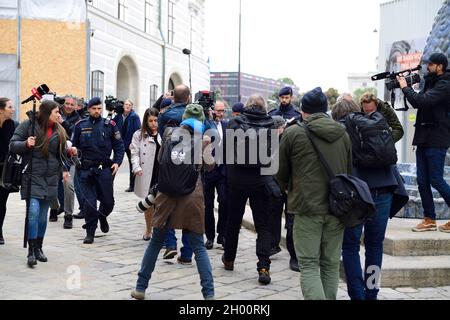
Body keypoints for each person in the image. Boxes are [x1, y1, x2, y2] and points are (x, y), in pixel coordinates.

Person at [131, 104, 215, 300]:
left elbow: (160, 160)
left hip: (166, 195)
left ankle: (140, 288)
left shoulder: (169, 135)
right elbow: (211, 167)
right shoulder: (203, 141)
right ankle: (209, 295)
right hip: (192, 197)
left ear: (184, 119)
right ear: (201, 121)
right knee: (198, 247)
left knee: (155, 242)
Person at [277, 87, 352, 300]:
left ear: (303, 110)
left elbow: (280, 172)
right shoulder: (342, 133)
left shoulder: (293, 133)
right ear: (325, 109)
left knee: (308, 264)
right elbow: (348, 171)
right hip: (337, 207)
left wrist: (287, 186)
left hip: (306, 206)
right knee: (330, 265)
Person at [332, 97, 405, 300]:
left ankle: (357, 295)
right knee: (375, 245)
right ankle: (372, 293)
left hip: (356, 194)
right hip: (384, 189)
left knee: (350, 246)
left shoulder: (339, 131)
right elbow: (398, 130)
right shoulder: (373, 127)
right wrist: (383, 106)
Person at [10, 100, 76, 267]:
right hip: (32, 176)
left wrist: (70, 153)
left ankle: (39, 247)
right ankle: (31, 251)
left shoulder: (59, 129)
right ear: (47, 113)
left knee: (42, 217)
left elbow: (63, 153)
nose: (59, 115)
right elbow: (13, 144)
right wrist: (26, 144)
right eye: (56, 112)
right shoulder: (29, 125)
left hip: (51, 178)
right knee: (33, 212)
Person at [222, 94, 275, 285]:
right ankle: (263, 266)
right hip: (260, 180)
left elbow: (226, 153)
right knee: (263, 226)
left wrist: (229, 175)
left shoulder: (234, 123)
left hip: (237, 179)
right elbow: (272, 156)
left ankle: (229, 259)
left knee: (233, 221)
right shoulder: (270, 123)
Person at [398, 53, 450, 233]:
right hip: (423, 137)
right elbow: (419, 100)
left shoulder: (445, 84)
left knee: (435, 179)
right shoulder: (430, 81)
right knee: (422, 181)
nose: (427, 66)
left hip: (437, 137)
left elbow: (424, 101)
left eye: (431, 64)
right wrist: (411, 87)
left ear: (440, 66)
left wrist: (406, 88)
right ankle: (429, 219)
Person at [72, 97, 125, 244]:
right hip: (86, 170)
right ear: (88, 109)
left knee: (108, 202)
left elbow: (119, 146)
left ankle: (102, 215)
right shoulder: (80, 125)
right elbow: (73, 145)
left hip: (104, 169)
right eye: (94, 108)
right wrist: (74, 152)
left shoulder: (110, 125)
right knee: (89, 203)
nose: (97, 111)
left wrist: (117, 162)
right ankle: (90, 232)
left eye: (99, 108)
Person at [156, 85, 193, 261]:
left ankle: (170, 244)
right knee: (189, 208)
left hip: (169, 164)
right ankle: (186, 253)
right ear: (188, 98)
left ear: (173, 98)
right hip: (189, 167)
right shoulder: (196, 114)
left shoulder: (164, 115)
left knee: (167, 205)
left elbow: (162, 135)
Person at [130, 108, 161, 241]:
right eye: (150, 121)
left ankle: (160, 232)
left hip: (161, 172)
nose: (153, 123)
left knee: (161, 204)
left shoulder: (164, 133)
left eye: (156, 120)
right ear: (146, 121)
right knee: (148, 203)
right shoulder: (139, 134)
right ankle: (149, 228)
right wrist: (136, 167)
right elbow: (134, 152)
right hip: (146, 171)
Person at [203, 100, 228, 249]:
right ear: (212, 111)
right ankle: (210, 236)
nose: (221, 113)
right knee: (208, 206)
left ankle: (222, 234)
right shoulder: (207, 125)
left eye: (222, 111)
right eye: (218, 110)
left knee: (224, 202)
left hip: (223, 170)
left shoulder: (226, 125)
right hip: (209, 170)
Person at [113, 99, 141, 193]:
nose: (127, 106)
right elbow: (111, 124)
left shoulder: (134, 116)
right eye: (126, 104)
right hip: (120, 144)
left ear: (132, 107)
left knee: (132, 164)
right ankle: (109, 183)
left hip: (130, 144)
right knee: (115, 162)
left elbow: (137, 131)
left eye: (129, 105)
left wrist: (133, 143)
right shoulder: (119, 116)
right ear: (123, 106)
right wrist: (111, 113)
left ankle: (132, 186)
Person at [0, 98, 17, 245]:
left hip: (4, 169)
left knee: (1, 202)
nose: (13, 110)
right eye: (10, 107)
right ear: (1, 109)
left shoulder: (11, 124)